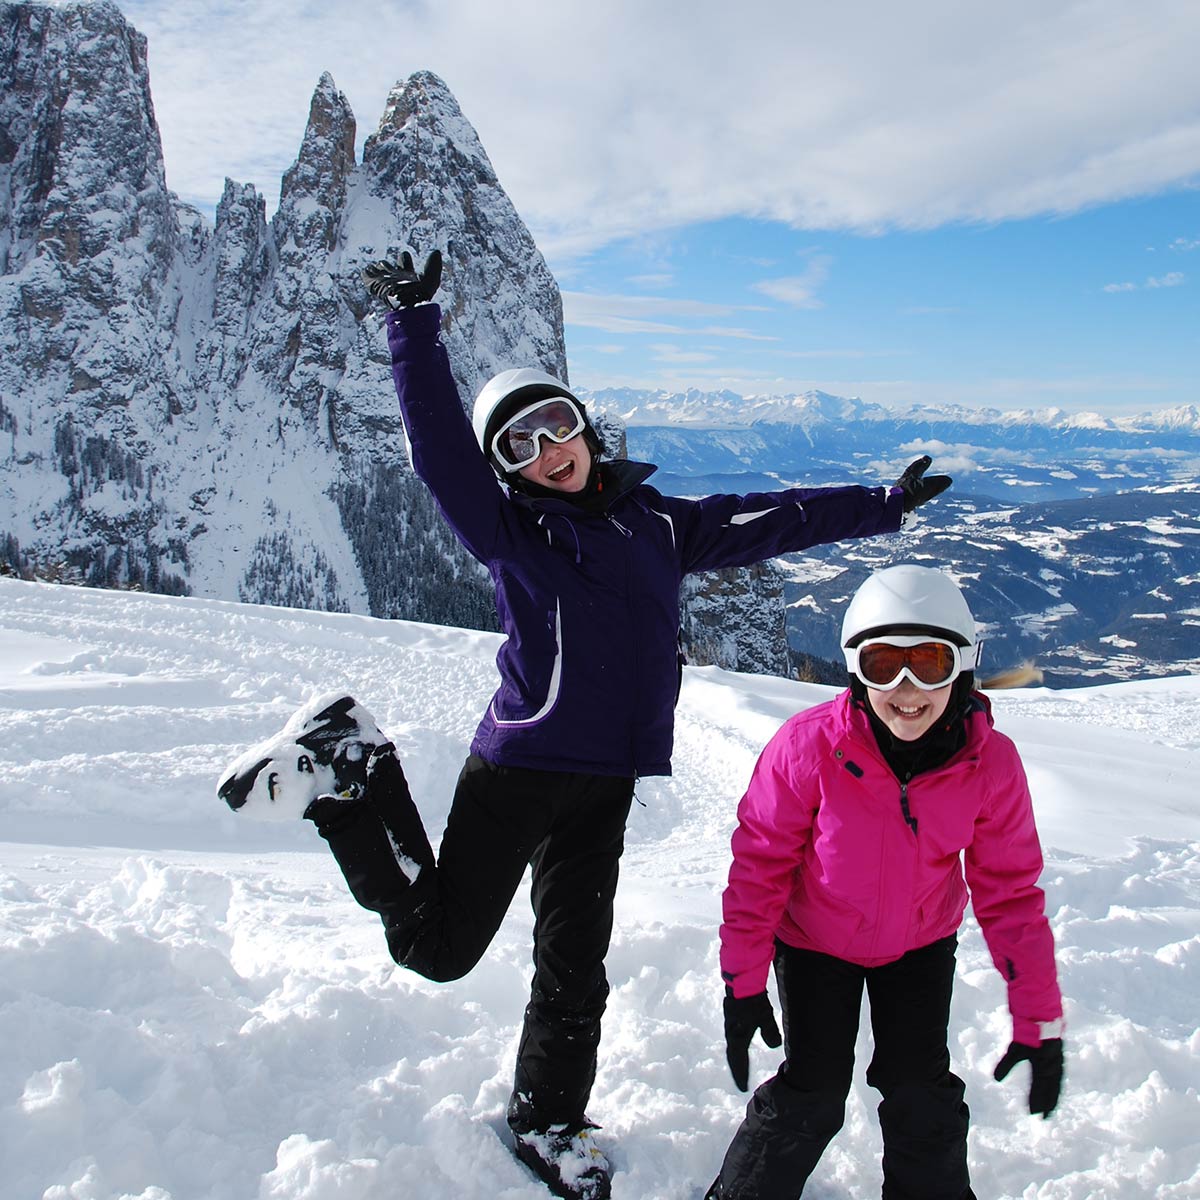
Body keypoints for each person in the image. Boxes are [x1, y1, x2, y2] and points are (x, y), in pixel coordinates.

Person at [217, 250, 952, 1200]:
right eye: (517, 447)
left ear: (584, 426)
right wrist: (416, 328)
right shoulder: (514, 531)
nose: (546, 451)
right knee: (438, 950)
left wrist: (882, 506)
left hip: (604, 784)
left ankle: (548, 1120)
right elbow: (439, 452)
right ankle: (355, 775)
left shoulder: (656, 524)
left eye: (555, 426)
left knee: (575, 967)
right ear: (504, 471)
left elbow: (769, 518)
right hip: (519, 769)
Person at [705, 563, 1065, 1200]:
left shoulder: (989, 763)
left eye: (927, 663)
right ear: (854, 671)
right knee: (812, 1090)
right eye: (881, 665)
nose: (905, 689)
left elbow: (1010, 893)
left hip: (919, 947)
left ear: (961, 667)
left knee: (919, 1091)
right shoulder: (808, 748)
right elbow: (760, 866)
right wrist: (742, 982)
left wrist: (1037, 1019)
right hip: (815, 942)